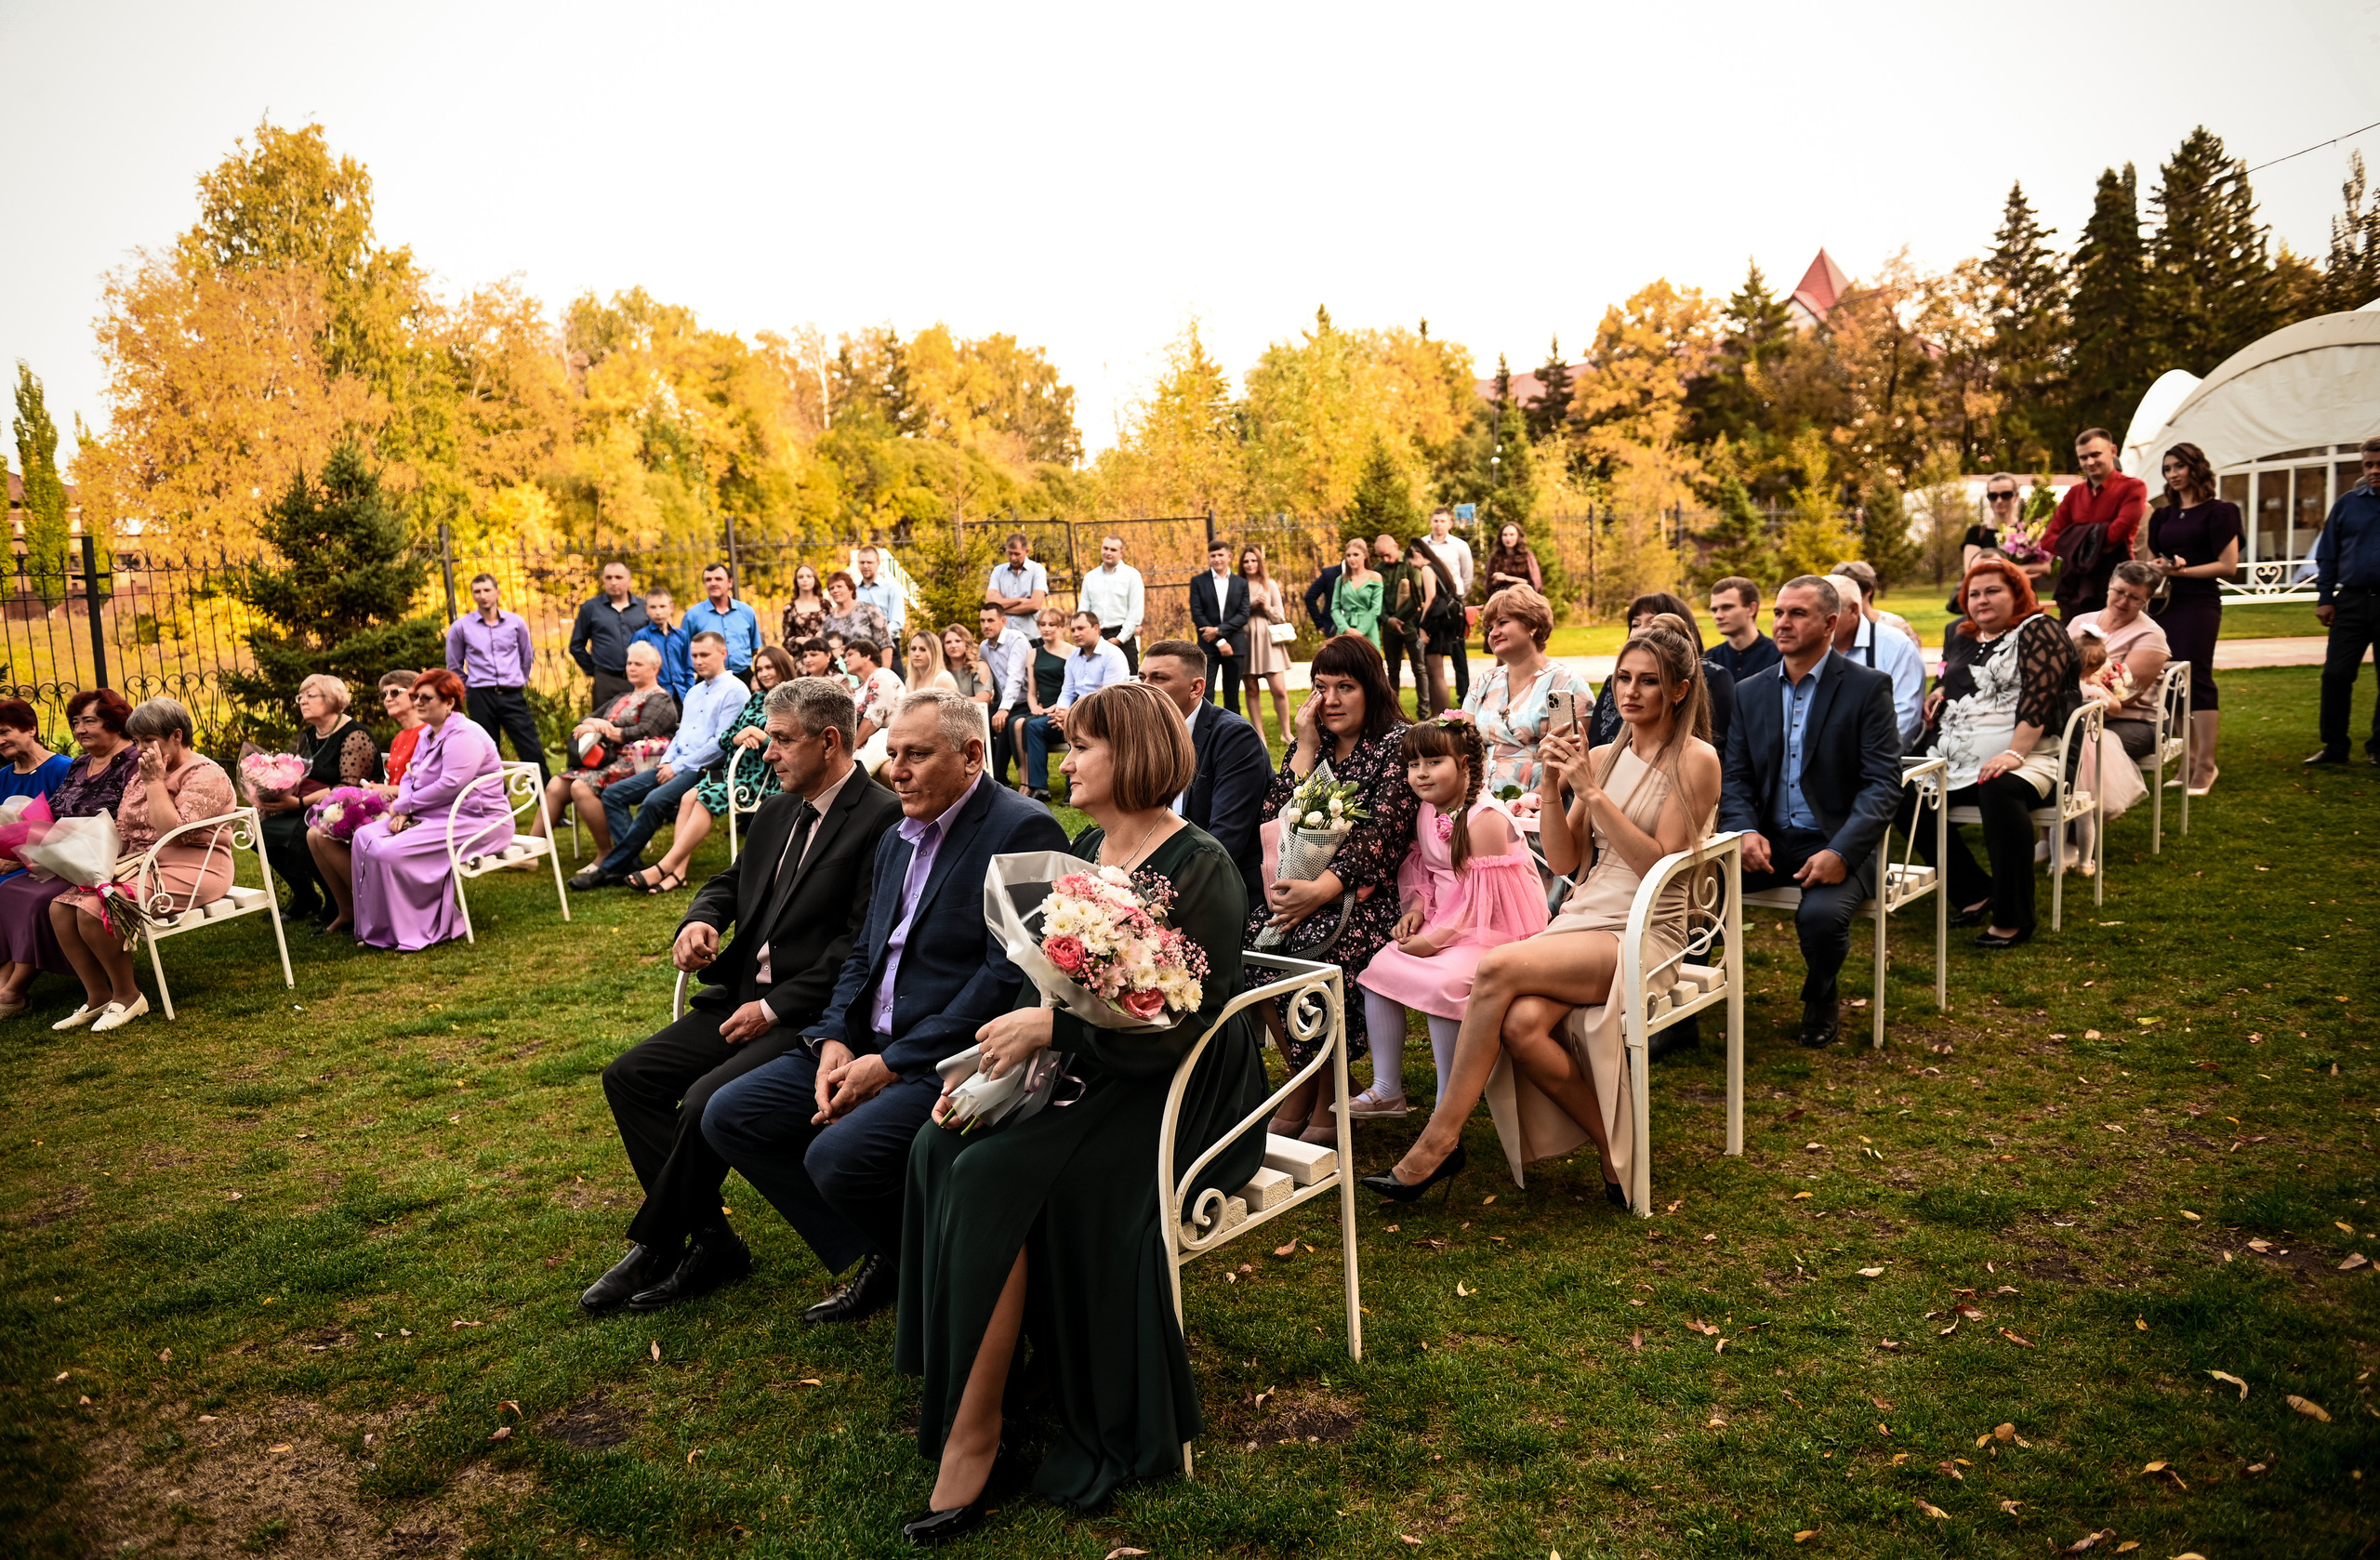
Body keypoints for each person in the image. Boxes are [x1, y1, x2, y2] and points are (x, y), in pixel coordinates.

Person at [892, 682, 1265, 1535]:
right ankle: (976, 1369)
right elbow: (1062, 977)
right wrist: (1009, 1051)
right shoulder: (1089, 847)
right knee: (938, 1144)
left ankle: (975, 1437)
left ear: (1130, 755)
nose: (1066, 762)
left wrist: (1055, 1028)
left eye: (1082, 747)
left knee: (990, 1175)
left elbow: (1184, 1025)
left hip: (1176, 1089)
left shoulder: (1201, 863)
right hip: (1091, 1066)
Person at [701, 690, 1068, 1335]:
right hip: (867, 1038)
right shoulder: (898, 833)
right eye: (892, 753)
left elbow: (1003, 977)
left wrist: (892, 1063)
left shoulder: (1021, 829)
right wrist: (834, 1037)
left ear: (972, 756)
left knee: (837, 1158)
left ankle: (946, 1275)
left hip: (946, 1055)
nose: (896, 771)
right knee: (730, 1114)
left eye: (916, 755)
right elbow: (866, 951)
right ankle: (895, 1252)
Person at [1361, 624, 1718, 1206]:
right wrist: (1554, 785)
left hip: (1646, 927)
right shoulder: (1603, 755)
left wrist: (1592, 793)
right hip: (1583, 918)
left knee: (1496, 967)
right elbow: (1566, 859)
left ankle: (1440, 1142)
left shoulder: (1696, 760)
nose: (1630, 692)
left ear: (1679, 690)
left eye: (1648, 681)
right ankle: (1615, 1149)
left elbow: (1658, 864)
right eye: (1623, 678)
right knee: (1522, 1026)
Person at [580, 678, 905, 1314]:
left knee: (705, 1102)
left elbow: (859, 944)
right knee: (630, 1077)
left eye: (782, 739)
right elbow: (730, 881)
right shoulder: (780, 808)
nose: (768, 752)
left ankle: (658, 1244)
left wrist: (775, 1008)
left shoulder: (882, 819)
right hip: (739, 999)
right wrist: (699, 919)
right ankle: (712, 1240)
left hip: (811, 1016)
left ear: (829, 741)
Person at [1245, 634, 1419, 1146]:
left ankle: (1315, 1091)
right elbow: (1274, 816)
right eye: (1322, 687)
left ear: (1372, 688)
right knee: (1254, 941)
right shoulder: (1315, 745)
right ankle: (1318, 1084)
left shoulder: (1397, 745)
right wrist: (1303, 746)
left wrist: (1319, 892)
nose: (1332, 700)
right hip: (1305, 889)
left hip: (1374, 895)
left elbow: (1383, 833)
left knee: (1310, 946)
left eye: (1346, 687)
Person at [1720, 576, 1905, 1048]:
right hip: (1767, 842)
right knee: (1688, 895)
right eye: (1779, 612)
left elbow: (1883, 784)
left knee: (1821, 920)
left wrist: (1842, 852)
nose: (1783, 623)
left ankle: (1821, 996)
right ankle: (1681, 1013)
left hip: (1837, 840)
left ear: (1830, 623)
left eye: (1797, 614)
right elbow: (1736, 776)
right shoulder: (1750, 691)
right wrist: (1743, 830)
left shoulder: (1867, 688)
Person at [1348, 713, 1549, 1118]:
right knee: (1378, 971)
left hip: (1493, 930)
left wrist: (1435, 941)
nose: (1421, 774)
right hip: (1447, 919)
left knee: (1443, 985)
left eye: (1433, 762)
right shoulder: (1429, 809)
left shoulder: (1485, 819)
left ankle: (1447, 1104)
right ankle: (1387, 1088)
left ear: (1464, 765)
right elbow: (1425, 870)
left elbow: (1485, 902)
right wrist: (1417, 911)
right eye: (1413, 764)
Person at [1906, 557, 2081, 948]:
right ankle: (1973, 891)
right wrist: (1940, 691)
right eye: (1974, 594)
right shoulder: (1963, 634)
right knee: (1902, 790)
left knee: (1999, 788)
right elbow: (1952, 676)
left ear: (2016, 593)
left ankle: (2013, 917)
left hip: (2034, 754)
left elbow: (2040, 695)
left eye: (1992, 591)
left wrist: (2015, 754)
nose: (1981, 600)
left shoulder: (2040, 629)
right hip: (1959, 754)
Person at [49, 697, 238, 1033]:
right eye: (136, 741)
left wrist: (154, 783)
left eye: (148, 740)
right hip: (140, 863)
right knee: (60, 909)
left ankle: (128, 996)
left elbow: (176, 834)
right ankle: (98, 996)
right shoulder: (143, 773)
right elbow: (124, 827)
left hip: (196, 867)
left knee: (97, 908)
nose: (139, 749)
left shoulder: (205, 774)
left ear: (176, 736)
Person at [570, 632, 747, 891]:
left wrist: (677, 766)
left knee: (653, 802)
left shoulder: (735, 690)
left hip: (706, 768)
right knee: (613, 795)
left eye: (704, 655)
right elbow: (681, 734)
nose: (698, 661)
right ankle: (631, 865)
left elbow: (721, 742)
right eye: (694, 655)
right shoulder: (695, 691)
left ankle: (607, 869)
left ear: (723, 654)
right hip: (676, 763)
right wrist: (667, 761)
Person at [343, 672, 509, 950]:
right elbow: (412, 776)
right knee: (363, 837)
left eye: (426, 697)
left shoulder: (464, 735)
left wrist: (404, 806)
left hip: (476, 821)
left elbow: (450, 786)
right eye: (416, 696)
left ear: (449, 702)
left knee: (390, 852)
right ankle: (378, 929)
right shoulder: (428, 732)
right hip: (431, 814)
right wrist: (405, 810)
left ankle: (416, 929)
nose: (417, 702)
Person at [0, 691, 136, 1019]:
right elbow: (55, 810)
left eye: (88, 721)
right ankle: (5, 984)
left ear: (114, 722)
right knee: (10, 889)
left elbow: (131, 820)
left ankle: (14, 991)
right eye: (75, 722)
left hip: (106, 859)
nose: (79, 730)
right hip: (64, 855)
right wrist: (26, 839)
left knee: (38, 900)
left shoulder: (133, 761)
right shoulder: (80, 764)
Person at [624, 645, 795, 896]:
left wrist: (760, 736)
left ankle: (665, 867)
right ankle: (678, 872)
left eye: (769, 667)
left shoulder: (792, 701)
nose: (764, 673)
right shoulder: (756, 699)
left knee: (705, 798)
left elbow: (793, 744)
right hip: (736, 773)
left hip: (764, 779)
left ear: (782, 667)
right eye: (759, 669)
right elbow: (726, 737)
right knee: (688, 797)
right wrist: (740, 736)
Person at [1138, 639, 1270, 910]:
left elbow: (1224, 841)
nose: (1146, 687)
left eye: (1159, 678)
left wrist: (1157, 899)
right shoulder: (1144, 736)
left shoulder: (1234, 737)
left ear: (1196, 688)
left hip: (1224, 892)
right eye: (1142, 678)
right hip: (1157, 879)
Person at [2145, 441, 2241, 796]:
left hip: (2199, 602)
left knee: (2196, 676)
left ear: (2195, 467)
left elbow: (2228, 566)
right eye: (2167, 469)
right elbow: (2152, 559)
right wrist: (2161, 566)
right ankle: (2189, 759)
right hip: (2164, 604)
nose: (2173, 474)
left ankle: (2206, 765)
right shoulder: (2163, 516)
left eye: (2179, 467)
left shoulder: (2221, 512)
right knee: (2170, 678)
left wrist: (2183, 571)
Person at [252, 675, 380, 932]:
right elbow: (291, 774)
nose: (302, 701)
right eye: (300, 696)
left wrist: (298, 803)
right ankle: (305, 896)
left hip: (346, 810)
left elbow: (349, 788)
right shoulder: (308, 736)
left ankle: (335, 902)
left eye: (310, 696)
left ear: (333, 699)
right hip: (309, 806)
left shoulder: (355, 735)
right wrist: (269, 792)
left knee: (302, 833)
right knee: (258, 833)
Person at [544, 641, 680, 864]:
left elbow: (644, 731)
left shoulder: (660, 699)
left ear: (655, 669)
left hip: (640, 762)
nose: (631, 668)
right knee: (556, 785)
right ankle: (531, 849)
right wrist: (594, 724)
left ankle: (605, 854)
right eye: (629, 663)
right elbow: (587, 719)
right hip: (608, 759)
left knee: (580, 786)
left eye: (638, 664)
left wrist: (605, 728)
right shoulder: (622, 697)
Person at [1462, 585, 1593, 800]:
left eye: (1503, 622)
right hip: (1483, 799)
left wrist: (1530, 802)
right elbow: (1464, 751)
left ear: (1532, 625)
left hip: (1542, 802)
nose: (1494, 632)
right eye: (1490, 627)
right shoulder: (1483, 684)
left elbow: (1569, 762)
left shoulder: (1563, 685)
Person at [1591, 595, 1738, 757]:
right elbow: (1595, 739)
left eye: (1649, 681)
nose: (1630, 691)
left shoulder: (1698, 757)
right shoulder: (1598, 756)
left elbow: (1724, 746)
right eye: (1635, 624)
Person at [2308, 436, 2380, 768]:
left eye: (2379, 464)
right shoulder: (2347, 504)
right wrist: (2325, 598)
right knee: (2335, 675)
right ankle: (2335, 747)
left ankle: (2379, 747)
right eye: (2368, 465)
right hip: (2351, 600)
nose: (2374, 471)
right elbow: (2328, 554)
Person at [445, 573, 548, 783]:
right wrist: (470, 689)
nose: (483, 596)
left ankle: (549, 802)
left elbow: (526, 656)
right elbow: (454, 665)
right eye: (477, 591)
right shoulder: (461, 627)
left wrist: (517, 680)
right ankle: (495, 802)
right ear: (473, 595)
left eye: (487, 590)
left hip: (512, 695)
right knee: (486, 755)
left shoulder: (515, 623)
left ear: (497, 592)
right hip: (480, 697)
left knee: (531, 749)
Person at [2064, 562, 2172, 760]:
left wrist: (2089, 681)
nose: (2123, 601)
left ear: (2147, 600)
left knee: (2080, 745)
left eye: (2134, 598)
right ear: (2110, 584)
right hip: (2076, 712)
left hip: (2135, 721)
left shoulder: (2150, 635)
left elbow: (2126, 695)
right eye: (2119, 591)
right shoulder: (2080, 621)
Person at [1022, 611, 1130, 801]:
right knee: (1033, 726)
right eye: (1073, 630)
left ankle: (1073, 788)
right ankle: (1039, 788)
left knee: (1079, 727)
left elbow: (1108, 698)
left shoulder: (1112, 655)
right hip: (1073, 716)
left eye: (1081, 628)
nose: (1076, 633)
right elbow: (1067, 692)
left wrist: (1071, 716)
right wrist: (1061, 714)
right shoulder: (1073, 658)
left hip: (1104, 718)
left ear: (1096, 629)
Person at [2043, 428, 2148, 620]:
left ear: (2113, 451)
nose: (2089, 462)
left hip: (2116, 581)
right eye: (2083, 458)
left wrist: (2072, 538)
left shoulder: (2133, 487)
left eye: (2095, 454)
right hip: (2075, 584)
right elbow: (2048, 540)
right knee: (2074, 637)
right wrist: (2097, 538)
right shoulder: (2074, 493)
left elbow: (2116, 534)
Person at [1827, 565, 1926, 747]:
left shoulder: (1895, 645)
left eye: (1829, 613)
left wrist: (1862, 756)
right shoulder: (1807, 649)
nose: (1819, 620)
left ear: (1854, 610)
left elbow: (1905, 718)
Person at [1236, 543, 1294, 752]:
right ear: (1241, 564)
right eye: (1246, 561)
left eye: (1254, 560)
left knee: (1279, 689)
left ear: (1259, 562)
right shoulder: (1237, 585)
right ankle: (1260, 735)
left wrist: (1267, 607)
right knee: (1251, 689)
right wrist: (1250, 606)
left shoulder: (1270, 585)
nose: (1250, 564)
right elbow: (1233, 615)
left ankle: (1286, 732)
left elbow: (1280, 616)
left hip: (1269, 641)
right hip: (1246, 639)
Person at [570, 561, 649, 711]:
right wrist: (594, 670)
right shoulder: (590, 608)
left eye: (619, 577)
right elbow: (576, 645)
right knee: (602, 721)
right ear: (603, 580)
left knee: (641, 720)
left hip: (640, 680)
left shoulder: (644, 607)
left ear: (629, 580)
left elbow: (656, 641)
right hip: (606, 681)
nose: (613, 582)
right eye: (609, 577)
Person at [1187, 539, 1250, 715]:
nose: (1216, 559)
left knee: (1232, 696)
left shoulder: (1241, 583)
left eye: (1220, 555)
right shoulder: (1198, 581)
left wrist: (1218, 631)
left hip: (1235, 645)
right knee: (1205, 693)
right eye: (1213, 555)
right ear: (1208, 558)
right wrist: (1219, 641)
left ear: (1229, 556)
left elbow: (1243, 614)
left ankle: (1233, 729)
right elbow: (1197, 613)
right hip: (1207, 645)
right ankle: (1204, 729)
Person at [974, 604, 1034, 788]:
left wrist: (1004, 709)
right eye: (982, 621)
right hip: (1002, 702)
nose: (986, 625)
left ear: (1003, 621)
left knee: (1003, 723)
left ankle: (998, 779)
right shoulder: (984, 647)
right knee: (980, 722)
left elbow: (1015, 677)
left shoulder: (1016, 639)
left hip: (1025, 701)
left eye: (990, 620)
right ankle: (982, 776)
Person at [1013, 609, 1071, 796]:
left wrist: (1056, 708)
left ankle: (1037, 785)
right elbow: (1032, 692)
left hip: (1063, 709)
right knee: (1017, 723)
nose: (1046, 629)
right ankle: (1031, 783)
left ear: (1061, 627)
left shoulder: (1072, 652)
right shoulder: (1034, 654)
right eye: (1043, 624)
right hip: (1041, 710)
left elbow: (1072, 688)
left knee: (1029, 725)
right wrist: (1034, 707)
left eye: (1052, 624)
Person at [1422, 508, 1476, 702]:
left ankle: (1465, 697)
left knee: (1458, 652)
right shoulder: (1423, 544)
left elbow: (1467, 576)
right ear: (1431, 522)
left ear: (1450, 524)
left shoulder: (1459, 546)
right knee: (1431, 654)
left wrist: (1458, 597)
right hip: (1432, 605)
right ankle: (1434, 699)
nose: (1439, 525)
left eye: (1443, 521)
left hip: (1453, 604)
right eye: (1436, 520)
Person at [1409, 535, 1467, 715]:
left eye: (1412, 563)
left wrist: (1422, 626)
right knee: (1435, 673)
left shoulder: (1427, 569)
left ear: (1416, 555)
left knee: (1435, 674)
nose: (1413, 567)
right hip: (1443, 625)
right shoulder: (1439, 566)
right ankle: (1440, 715)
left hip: (1435, 625)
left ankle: (1440, 716)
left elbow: (1430, 598)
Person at [1078, 535, 1145, 674]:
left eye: (1113, 550)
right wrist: (1088, 636)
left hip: (1123, 638)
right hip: (1095, 637)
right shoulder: (1090, 577)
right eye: (1105, 548)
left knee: (1128, 683)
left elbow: (1135, 613)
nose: (1108, 552)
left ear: (1122, 552)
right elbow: (1083, 612)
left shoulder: (1132, 576)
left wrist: (1120, 639)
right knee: (1094, 682)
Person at [684, 562, 762, 676]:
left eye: (718, 579)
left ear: (730, 582)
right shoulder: (692, 615)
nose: (713, 583)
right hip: (709, 678)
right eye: (708, 580)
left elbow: (754, 648)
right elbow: (685, 651)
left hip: (744, 676)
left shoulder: (746, 611)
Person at [1376, 533, 1425, 696]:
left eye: (1387, 555)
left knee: (1419, 668)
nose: (1385, 559)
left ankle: (1424, 709)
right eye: (1381, 556)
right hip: (1389, 628)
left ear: (1395, 547)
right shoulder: (1378, 570)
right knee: (1392, 669)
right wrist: (1388, 620)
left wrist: (1398, 618)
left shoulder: (1410, 564)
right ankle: (1392, 707)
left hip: (1411, 624)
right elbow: (1377, 600)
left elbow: (1417, 595)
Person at [1707, 576, 1780, 681]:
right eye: (1714, 610)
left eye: (1727, 607)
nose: (1718, 616)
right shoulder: (1709, 660)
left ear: (1751, 609)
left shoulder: (1778, 657)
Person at [0, 700, 73, 803]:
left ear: (31, 729)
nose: (1, 742)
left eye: (4, 732)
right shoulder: (2, 777)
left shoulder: (65, 769)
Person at [985, 533, 1049, 641]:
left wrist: (1001, 608)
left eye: (1017, 554)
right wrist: (1020, 600)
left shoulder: (1037, 570)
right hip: (1004, 639)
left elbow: (1035, 605)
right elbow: (990, 603)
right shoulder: (998, 571)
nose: (1013, 558)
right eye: (1009, 553)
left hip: (1030, 638)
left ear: (1027, 551)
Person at [847, 641, 906, 751]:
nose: (845, 660)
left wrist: (852, 747)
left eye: (850, 655)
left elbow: (875, 716)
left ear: (866, 656)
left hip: (885, 748)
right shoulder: (862, 687)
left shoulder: (882, 675)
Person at [632, 591, 693, 700]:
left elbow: (688, 668)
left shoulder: (681, 636)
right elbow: (635, 670)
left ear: (671, 607)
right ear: (646, 609)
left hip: (681, 696)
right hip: (654, 697)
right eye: (653, 607)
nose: (658, 612)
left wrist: (690, 692)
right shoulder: (641, 636)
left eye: (662, 606)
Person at [375, 671, 427, 791]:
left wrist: (385, 790)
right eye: (384, 694)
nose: (388, 699)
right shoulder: (399, 738)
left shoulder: (429, 733)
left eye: (395, 692)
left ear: (415, 694)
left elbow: (426, 789)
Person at [1330, 537, 1384, 649]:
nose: (1352, 559)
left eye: (1356, 554)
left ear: (1364, 555)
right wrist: (1346, 629)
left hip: (1368, 629)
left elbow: (1376, 608)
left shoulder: (1375, 577)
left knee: (1369, 657)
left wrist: (1359, 631)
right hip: (1345, 629)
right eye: (1348, 555)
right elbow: (1335, 608)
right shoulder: (1341, 580)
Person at [821, 570, 889, 649]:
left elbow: (886, 644)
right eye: (831, 588)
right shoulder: (828, 621)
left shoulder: (869, 610)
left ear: (851, 589)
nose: (835, 590)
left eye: (839, 586)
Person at [853, 547, 906, 645]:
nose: (865, 566)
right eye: (862, 562)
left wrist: (878, 637)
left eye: (869, 562)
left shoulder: (892, 588)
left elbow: (897, 622)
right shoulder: (853, 590)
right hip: (860, 646)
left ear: (878, 563)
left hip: (888, 644)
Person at [1968, 476, 2020, 572]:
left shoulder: (2027, 531)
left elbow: (2046, 567)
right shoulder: (1976, 533)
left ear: (2016, 496)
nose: (1999, 500)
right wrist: (2019, 571)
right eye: (1993, 496)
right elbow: (1971, 571)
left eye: (2006, 495)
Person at [941, 624, 992, 712]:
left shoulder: (979, 666)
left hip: (974, 715)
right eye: (948, 642)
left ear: (966, 643)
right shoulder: (941, 670)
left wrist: (951, 704)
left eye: (958, 641)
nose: (953, 645)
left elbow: (983, 699)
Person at [1485, 522, 1543, 596]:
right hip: (1502, 600)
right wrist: (1497, 581)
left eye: (1512, 535)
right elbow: (1488, 589)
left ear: (1518, 536)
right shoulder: (1494, 557)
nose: (1508, 538)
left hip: (1523, 598)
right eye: (1505, 535)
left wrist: (1507, 578)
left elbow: (1535, 585)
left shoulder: (1528, 556)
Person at [781, 562, 829, 646]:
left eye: (809, 576)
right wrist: (800, 640)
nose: (805, 580)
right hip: (802, 652)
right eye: (800, 577)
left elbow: (835, 631)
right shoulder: (789, 609)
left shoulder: (825, 605)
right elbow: (787, 640)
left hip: (825, 651)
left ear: (815, 579)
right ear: (796, 581)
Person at [904, 628, 959, 694]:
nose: (916, 654)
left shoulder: (943, 680)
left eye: (923, 649)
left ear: (934, 653)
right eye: (913, 649)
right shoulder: (910, 681)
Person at [1302, 555, 1342, 640]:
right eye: (1349, 555)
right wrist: (1320, 624)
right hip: (1333, 628)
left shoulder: (1367, 575)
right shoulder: (1330, 574)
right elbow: (1309, 597)